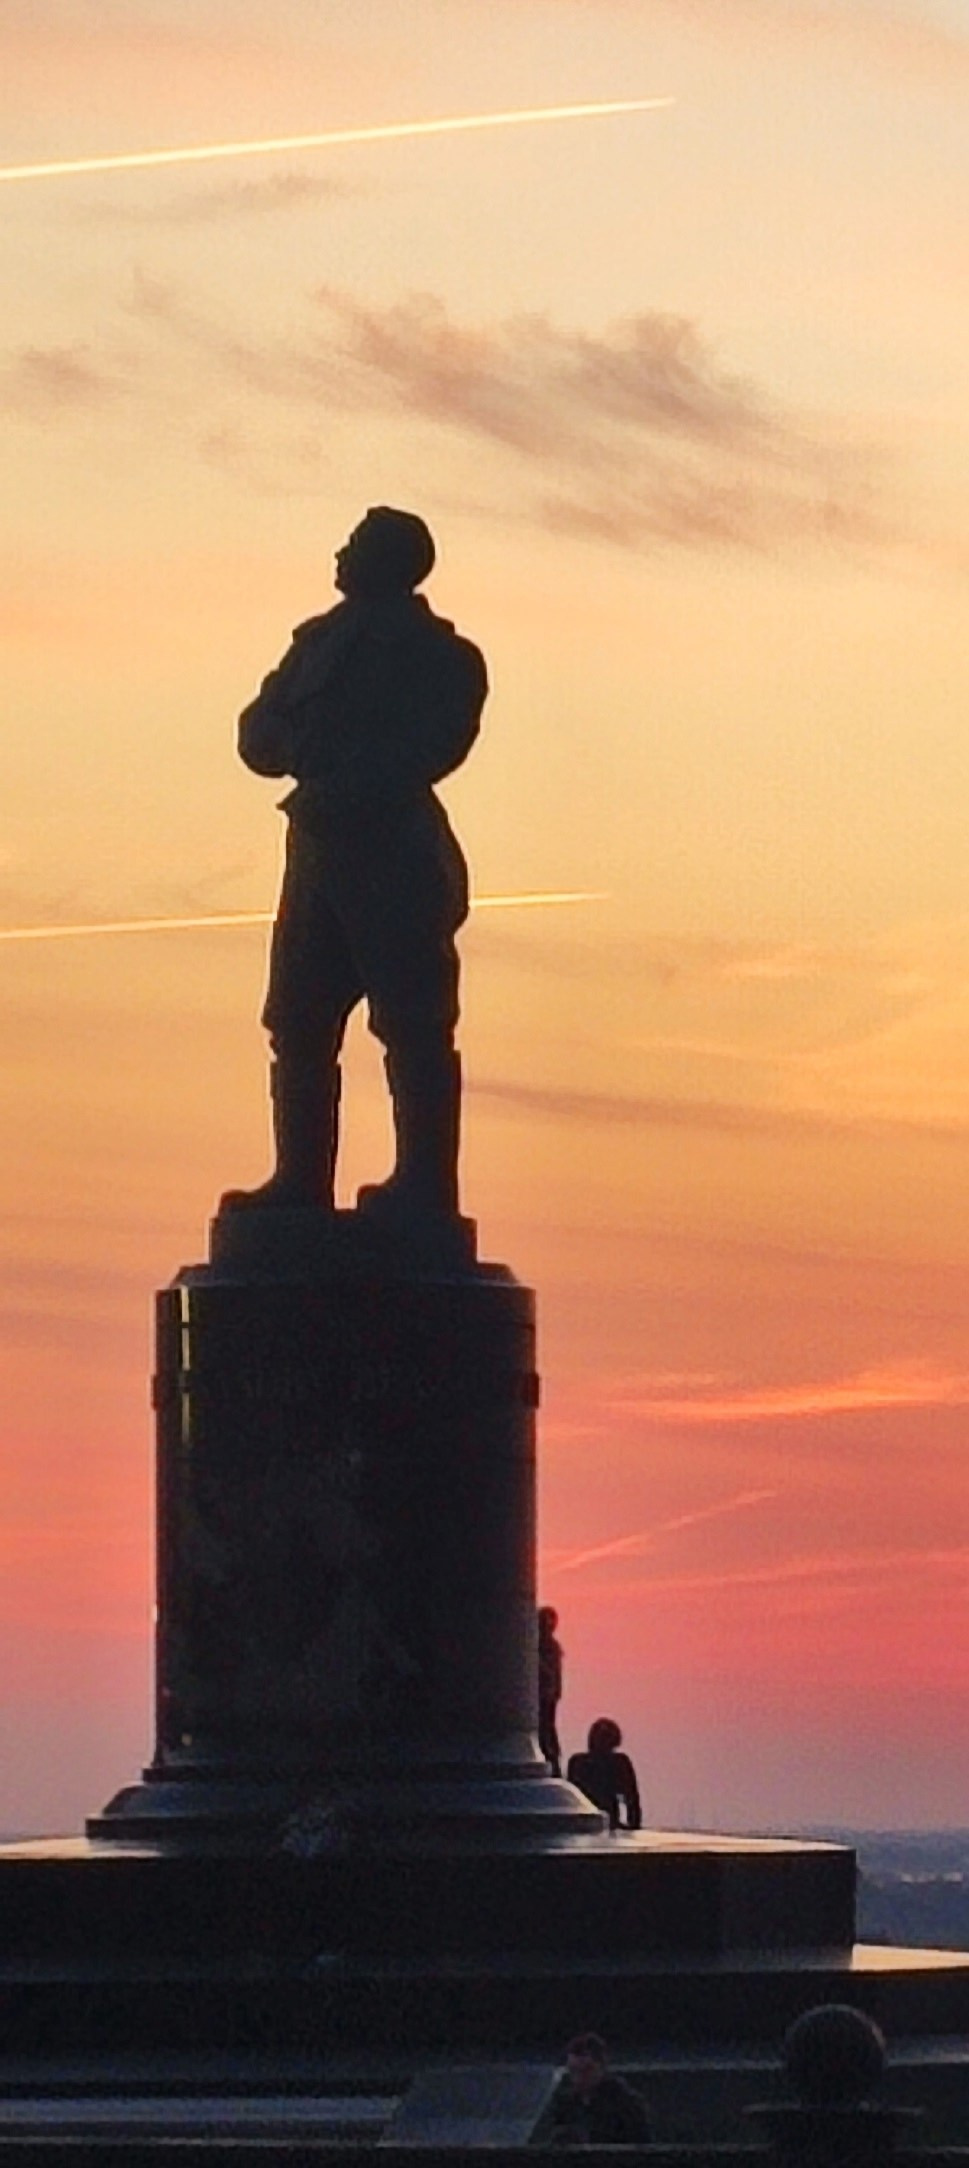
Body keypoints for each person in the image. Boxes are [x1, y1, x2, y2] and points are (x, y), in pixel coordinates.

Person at [225, 506, 488, 1220]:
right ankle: (299, 1182)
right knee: (298, 1020)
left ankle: (424, 1187)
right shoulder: (316, 642)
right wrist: (292, 747)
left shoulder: (440, 656)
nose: (339, 553)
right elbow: (256, 730)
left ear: (389, 561)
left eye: (354, 544)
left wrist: (357, 769)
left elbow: (436, 743)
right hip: (317, 851)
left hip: (394, 852)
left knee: (412, 1021)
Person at [550, 2033, 652, 2145]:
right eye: (573, 2071)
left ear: (602, 2066)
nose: (578, 2079)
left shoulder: (627, 2104)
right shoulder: (565, 2105)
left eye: (586, 2070)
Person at [567, 1719, 642, 1832]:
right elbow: (631, 1799)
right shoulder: (578, 1762)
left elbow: (631, 1799)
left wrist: (633, 1827)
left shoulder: (619, 1762)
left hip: (600, 1823)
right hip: (591, 1822)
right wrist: (633, 1828)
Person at [538, 1605, 564, 1776]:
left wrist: (555, 1691)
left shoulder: (552, 1647)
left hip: (547, 1696)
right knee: (545, 1731)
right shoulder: (535, 1646)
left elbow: (555, 1672)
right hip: (541, 1696)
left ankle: (553, 1761)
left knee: (548, 1729)